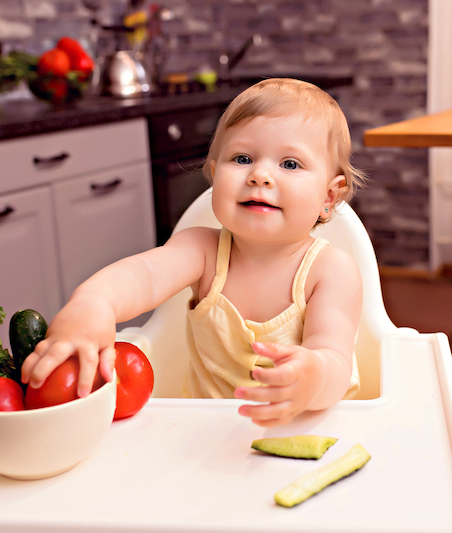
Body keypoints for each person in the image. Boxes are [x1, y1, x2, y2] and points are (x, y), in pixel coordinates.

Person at [21, 78, 366, 427]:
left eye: (290, 164)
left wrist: (313, 377)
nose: (260, 175)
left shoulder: (330, 271)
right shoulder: (202, 251)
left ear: (328, 197)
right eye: (242, 158)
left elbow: (333, 358)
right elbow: (143, 276)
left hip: (307, 432)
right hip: (205, 438)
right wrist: (94, 303)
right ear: (215, 175)